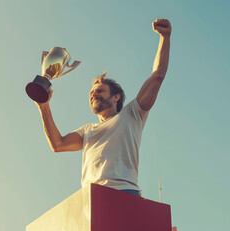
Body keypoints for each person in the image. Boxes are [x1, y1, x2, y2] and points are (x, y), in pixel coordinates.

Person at [35, 19, 171, 196]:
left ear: (116, 97)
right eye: (91, 93)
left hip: (124, 192)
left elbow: (157, 76)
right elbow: (57, 144)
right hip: (90, 198)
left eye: (99, 91)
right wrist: (43, 106)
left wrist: (165, 37)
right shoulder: (87, 131)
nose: (93, 94)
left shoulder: (132, 114)